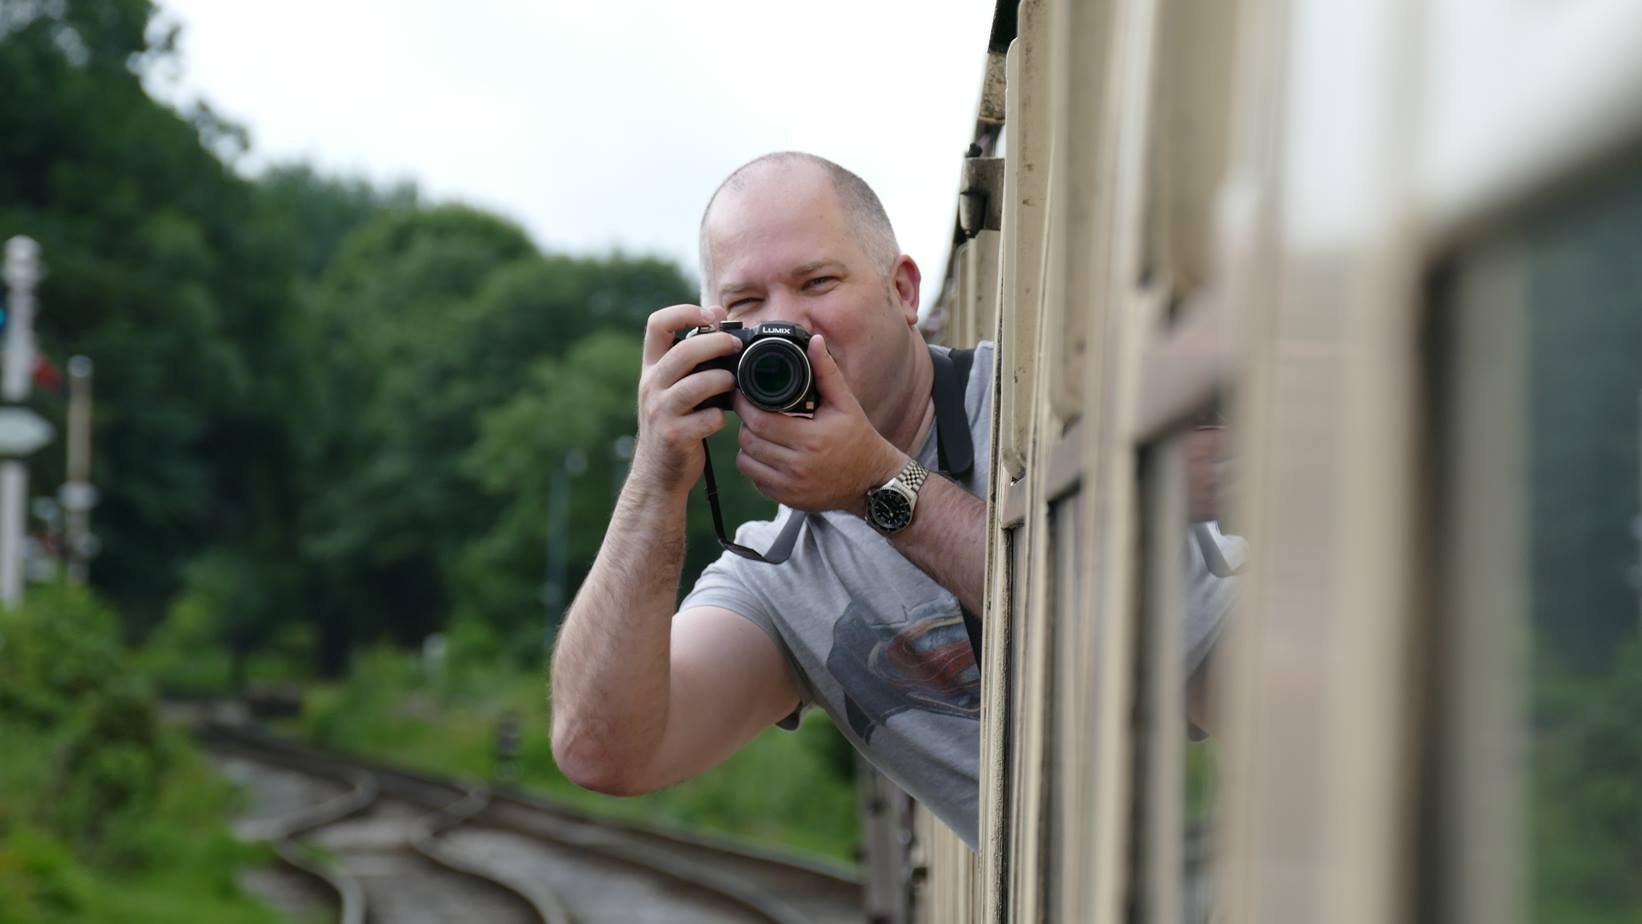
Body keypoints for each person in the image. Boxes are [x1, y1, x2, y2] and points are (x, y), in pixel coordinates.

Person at [549, 151, 1231, 849]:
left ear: (903, 291)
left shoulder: (1047, 407)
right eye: (747, 305)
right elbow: (603, 751)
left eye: (817, 281)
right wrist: (656, 480)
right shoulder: (783, 572)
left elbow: (1152, 644)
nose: (788, 326)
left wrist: (878, 485)